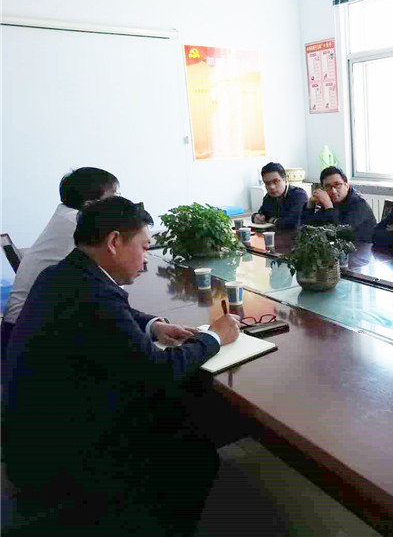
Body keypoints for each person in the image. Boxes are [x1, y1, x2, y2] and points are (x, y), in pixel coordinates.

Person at [3, 196, 241, 536]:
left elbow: (118, 312)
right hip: (61, 450)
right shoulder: (94, 296)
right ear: (114, 242)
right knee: (193, 448)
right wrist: (214, 337)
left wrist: (153, 325)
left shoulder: (65, 274)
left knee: (182, 403)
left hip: (34, 429)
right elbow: (159, 371)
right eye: (144, 247)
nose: (146, 258)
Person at [1, 167, 119, 355]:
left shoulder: (68, 216)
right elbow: (115, 268)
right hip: (28, 334)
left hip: (24, 324)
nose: (119, 203)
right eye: (114, 197)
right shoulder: (77, 224)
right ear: (91, 204)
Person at [301, 166, 376, 242]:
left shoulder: (359, 204)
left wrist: (328, 206)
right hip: (337, 247)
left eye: (337, 185)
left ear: (347, 186)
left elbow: (339, 233)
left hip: (363, 247)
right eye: (328, 186)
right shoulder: (329, 201)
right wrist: (310, 205)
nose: (333, 191)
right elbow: (307, 230)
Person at [252, 162, 308, 229]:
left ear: (285, 180)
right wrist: (256, 217)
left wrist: (271, 220)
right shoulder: (268, 197)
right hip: (276, 233)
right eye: (267, 183)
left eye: (276, 181)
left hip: (296, 234)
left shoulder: (299, 195)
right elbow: (262, 213)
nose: (272, 187)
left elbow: (293, 223)